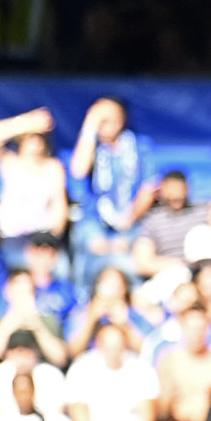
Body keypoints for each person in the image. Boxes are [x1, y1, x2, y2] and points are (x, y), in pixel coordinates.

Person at [69, 96, 156, 285]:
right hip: (95, 221)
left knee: (129, 256)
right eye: (99, 118)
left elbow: (148, 189)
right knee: (88, 246)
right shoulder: (94, 148)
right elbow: (78, 170)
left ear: (121, 120)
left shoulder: (139, 146)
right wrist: (90, 126)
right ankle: (83, 301)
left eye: (108, 118)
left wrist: (128, 222)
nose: (104, 124)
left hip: (131, 220)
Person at [0, 107, 69, 266]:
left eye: (39, 137)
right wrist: (26, 123)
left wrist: (52, 239)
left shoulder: (53, 167)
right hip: (11, 237)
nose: (35, 142)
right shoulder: (10, 162)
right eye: (30, 137)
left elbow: (60, 205)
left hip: (41, 237)